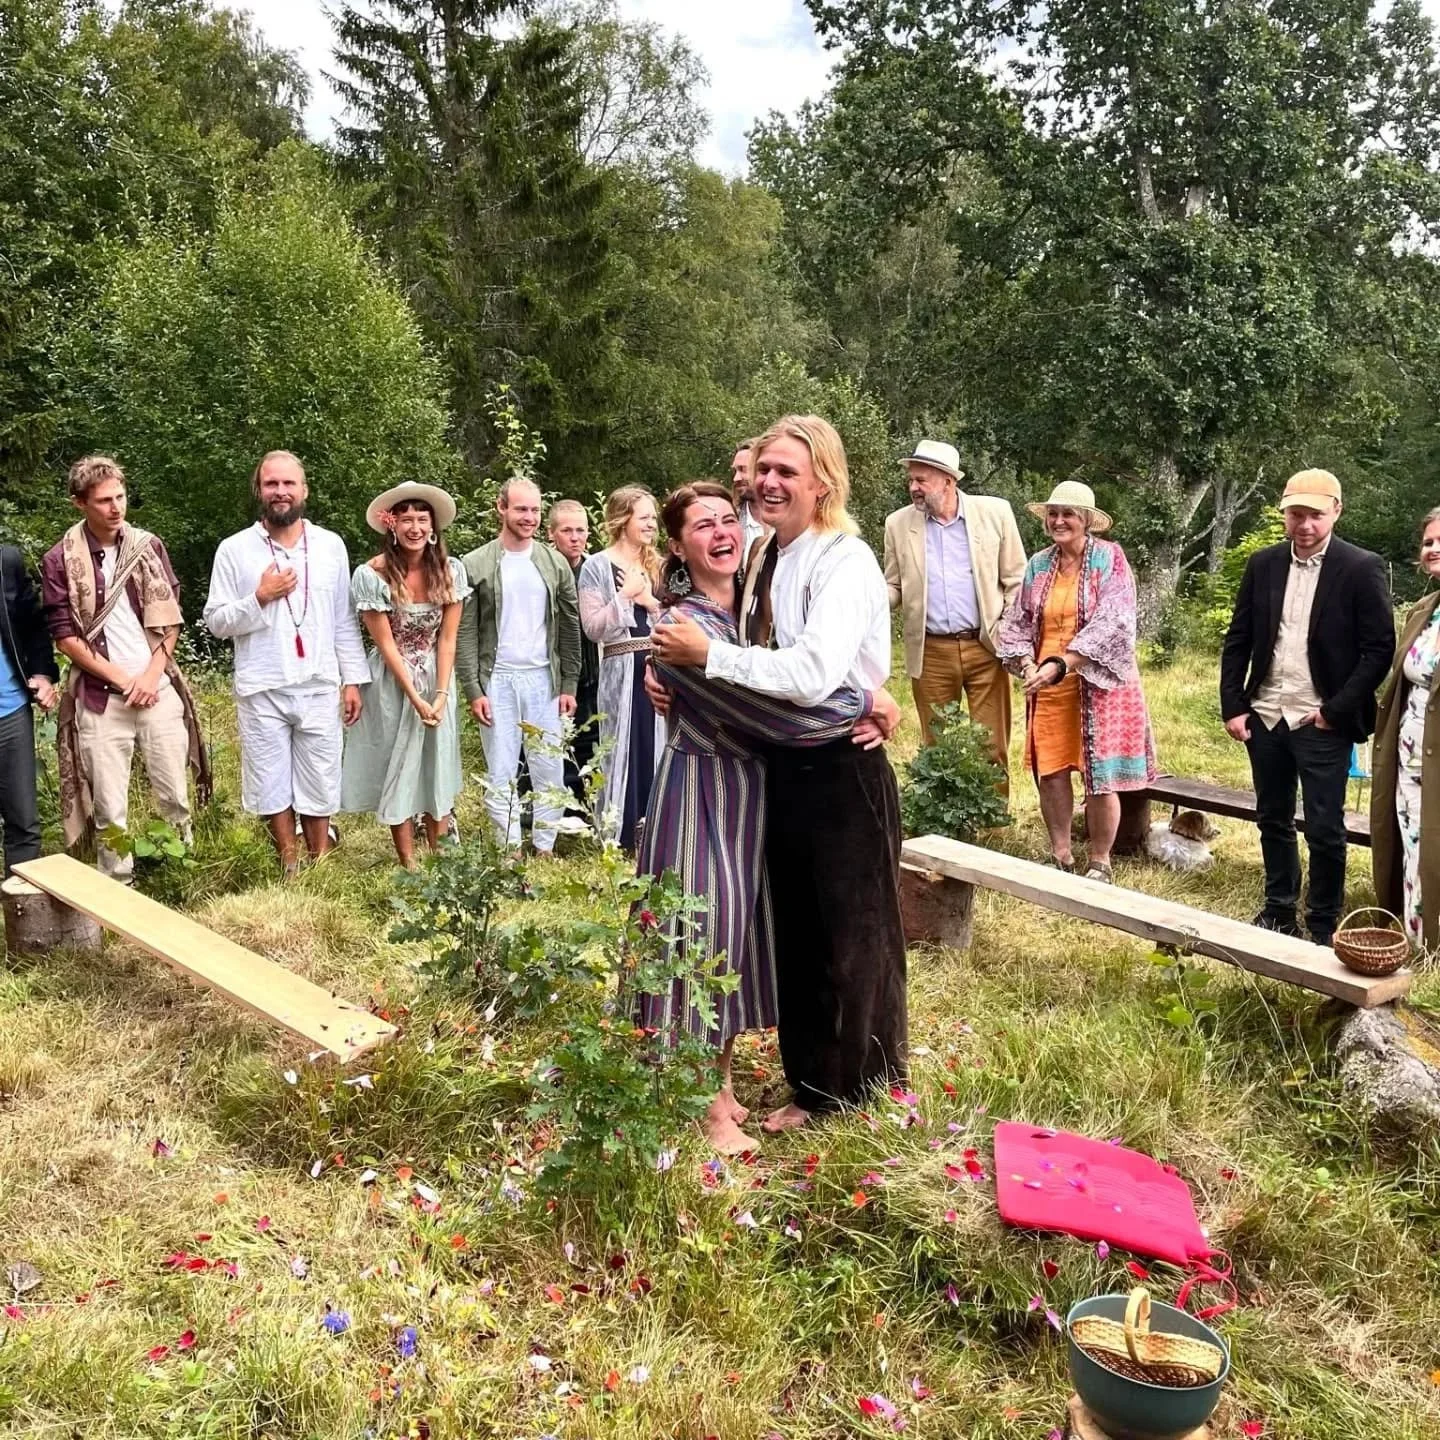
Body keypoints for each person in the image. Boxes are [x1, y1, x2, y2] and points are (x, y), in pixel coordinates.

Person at [651, 415, 906, 1134]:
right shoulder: (767, 553)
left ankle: (864, 1089)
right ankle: (815, 1085)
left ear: (822, 481)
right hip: (778, 764)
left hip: (841, 760)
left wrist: (707, 660)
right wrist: (671, 671)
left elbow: (813, 673)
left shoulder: (842, 559)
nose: (769, 483)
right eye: (763, 469)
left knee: (854, 936)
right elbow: (734, 629)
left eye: (787, 472)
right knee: (798, 934)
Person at [1220, 469, 1392, 947]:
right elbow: (1239, 640)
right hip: (1265, 713)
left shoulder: (1361, 567)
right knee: (1272, 817)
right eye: (1296, 514)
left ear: (1336, 511)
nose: (1305, 524)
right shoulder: (1264, 564)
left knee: (1324, 826)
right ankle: (1278, 910)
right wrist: (1234, 705)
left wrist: (1334, 712)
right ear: (1284, 514)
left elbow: (1378, 648)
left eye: (1315, 514)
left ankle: (1321, 923)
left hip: (1321, 719)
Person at [42, 456, 210, 881]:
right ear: (79, 503)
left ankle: (178, 877)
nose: (116, 508)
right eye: (103, 501)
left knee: (174, 793)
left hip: (157, 689)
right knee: (109, 807)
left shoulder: (148, 547)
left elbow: (171, 617)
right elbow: (65, 636)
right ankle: (118, 887)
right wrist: (123, 681)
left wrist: (152, 677)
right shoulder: (61, 559)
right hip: (102, 699)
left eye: (120, 496)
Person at [204, 450, 367, 876]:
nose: (280, 492)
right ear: (259, 490)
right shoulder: (234, 550)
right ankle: (289, 862)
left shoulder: (330, 546)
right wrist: (259, 597)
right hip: (263, 683)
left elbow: (344, 619)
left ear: (304, 490)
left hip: (318, 683)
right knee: (270, 779)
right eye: (272, 484)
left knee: (321, 776)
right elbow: (217, 621)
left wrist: (353, 680)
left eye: (288, 483)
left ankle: (319, 859)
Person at [996, 480, 1156, 882]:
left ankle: (1100, 859)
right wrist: (1026, 663)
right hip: (1048, 682)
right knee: (1050, 767)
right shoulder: (1039, 564)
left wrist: (1064, 662)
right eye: (1053, 513)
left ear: (1087, 521)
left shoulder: (1110, 558)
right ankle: (1061, 853)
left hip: (1099, 682)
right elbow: (1017, 620)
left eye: (1068, 514)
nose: (1059, 521)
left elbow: (1115, 620)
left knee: (1098, 772)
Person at [340, 482, 469, 869]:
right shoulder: (371, 575)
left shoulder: (450, 570)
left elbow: (447, 640)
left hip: (435, 671)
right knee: (399, 761)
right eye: (406, 519)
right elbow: (386, 645)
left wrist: (442, 693)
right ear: (391, 526)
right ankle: (407, 860)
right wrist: (415, 696)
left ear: (433, 527)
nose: (414, 527)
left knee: (437, 760)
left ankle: (440, 852)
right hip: (393, 680)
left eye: (422, 519)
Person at [883, 439, 1026, 783]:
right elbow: (893, 587)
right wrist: (863, 599)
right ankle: (942, 830)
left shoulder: (995, 513)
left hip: (986, 646)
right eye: (911, 480)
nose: (913, 488)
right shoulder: (898, 524)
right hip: (930, 650)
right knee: (937, 746)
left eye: (921, 480)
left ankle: (992, 826)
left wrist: (1007, 629)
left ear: (948, 480)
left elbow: (1016, 579)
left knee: (991, 744)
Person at [456, 478, 580, 854]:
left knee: (549, 767)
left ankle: (544, 846)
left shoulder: (553, 562)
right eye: (521, 509)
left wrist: (569, 684)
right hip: (497, 679)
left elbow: (570, 626)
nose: (529, 517)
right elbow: (465, 633)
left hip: (544, 677)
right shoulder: (474, 564)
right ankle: (508, 849)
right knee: (501, 769)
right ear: (501, 508)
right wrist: (473, 689)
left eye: (534, 510)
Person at [578, 485, 665, 849]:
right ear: (622, 519)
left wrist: (650, 601)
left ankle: (660, 827)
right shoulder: (595, 566)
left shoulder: (659, 565)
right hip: (620, 664)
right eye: (644, 517)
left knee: (657, 741)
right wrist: (625, 595)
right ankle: (623, 830)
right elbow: (593, 626)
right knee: (622, 742)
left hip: (659, 662)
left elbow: (678, 615)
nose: (651, 525)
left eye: (653, 519)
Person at [1372, 507, 1440, 948]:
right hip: (1410, 755)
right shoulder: (1424, 611)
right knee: (1415, 844)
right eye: (1430, 542)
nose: (1433, 549)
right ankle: (1420, 945)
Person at [0, 543, 60, 874]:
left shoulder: (5, 563)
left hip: (10, 711)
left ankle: (21, 916)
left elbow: (34, 625)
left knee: (23, 824)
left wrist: (42, 673)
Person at [547, 499, 600, 803]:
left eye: (581, 530)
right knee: (556, 740)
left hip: (594, 671)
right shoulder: (543, 572)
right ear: (551, 534)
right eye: (567, 530)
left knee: (590, 738)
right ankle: (558, 805)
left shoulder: (596, 570)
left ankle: (589, 802)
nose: (575, 537)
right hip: (555, 673)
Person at [731, 441, 767, 555]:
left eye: (743, 469)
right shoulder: (732, 523)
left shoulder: (791, 520)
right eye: (735, 471)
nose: (736, 478)